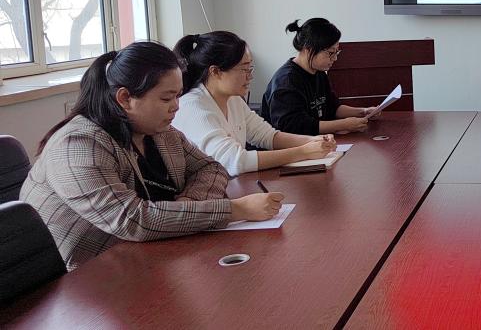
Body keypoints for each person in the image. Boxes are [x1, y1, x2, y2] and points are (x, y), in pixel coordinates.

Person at [20, 42, 284, 270]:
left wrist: (187, 207)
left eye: (178, 96)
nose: (176, 107)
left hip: (145, 257)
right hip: (83, 279)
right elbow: (132, 220)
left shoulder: (159, 131)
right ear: (125, 98)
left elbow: (211, 168)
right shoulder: (78, 146)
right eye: (166, 99)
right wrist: (235, 210)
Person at [172, 31, 337, 176]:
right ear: (215, 72)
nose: (250, 76)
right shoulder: (194, 108)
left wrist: (313, 141)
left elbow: (267, 136)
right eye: (244, 69)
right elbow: (236, 161)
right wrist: (303, 152)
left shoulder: (233, 99)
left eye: (250, 68)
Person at [261, 18, 374, 135]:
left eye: (337, 52)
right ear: (308, 49)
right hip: (287, 144)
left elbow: (333, 108)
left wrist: (363, 112)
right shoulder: (287, 81)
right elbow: (294, 126)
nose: (335, 58)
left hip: (314, 141)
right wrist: (343, 125)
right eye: (331, 53)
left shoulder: (319, 72)